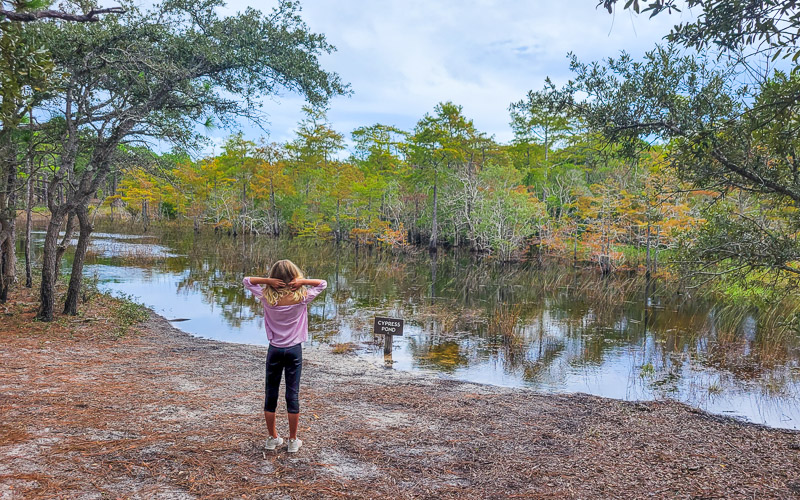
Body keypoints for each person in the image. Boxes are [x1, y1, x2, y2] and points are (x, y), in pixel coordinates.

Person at [243, 260, 327, 453]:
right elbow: (322, 283)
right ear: (295, 277)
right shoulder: (302, 296)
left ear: (274, 278)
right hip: (294, 350)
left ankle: (272, 438)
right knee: (292, 393)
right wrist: (302, 282)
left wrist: (268, 281)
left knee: (271, 393)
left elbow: (247, 281)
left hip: (274, 350)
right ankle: (292, 440)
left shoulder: (266, 295)